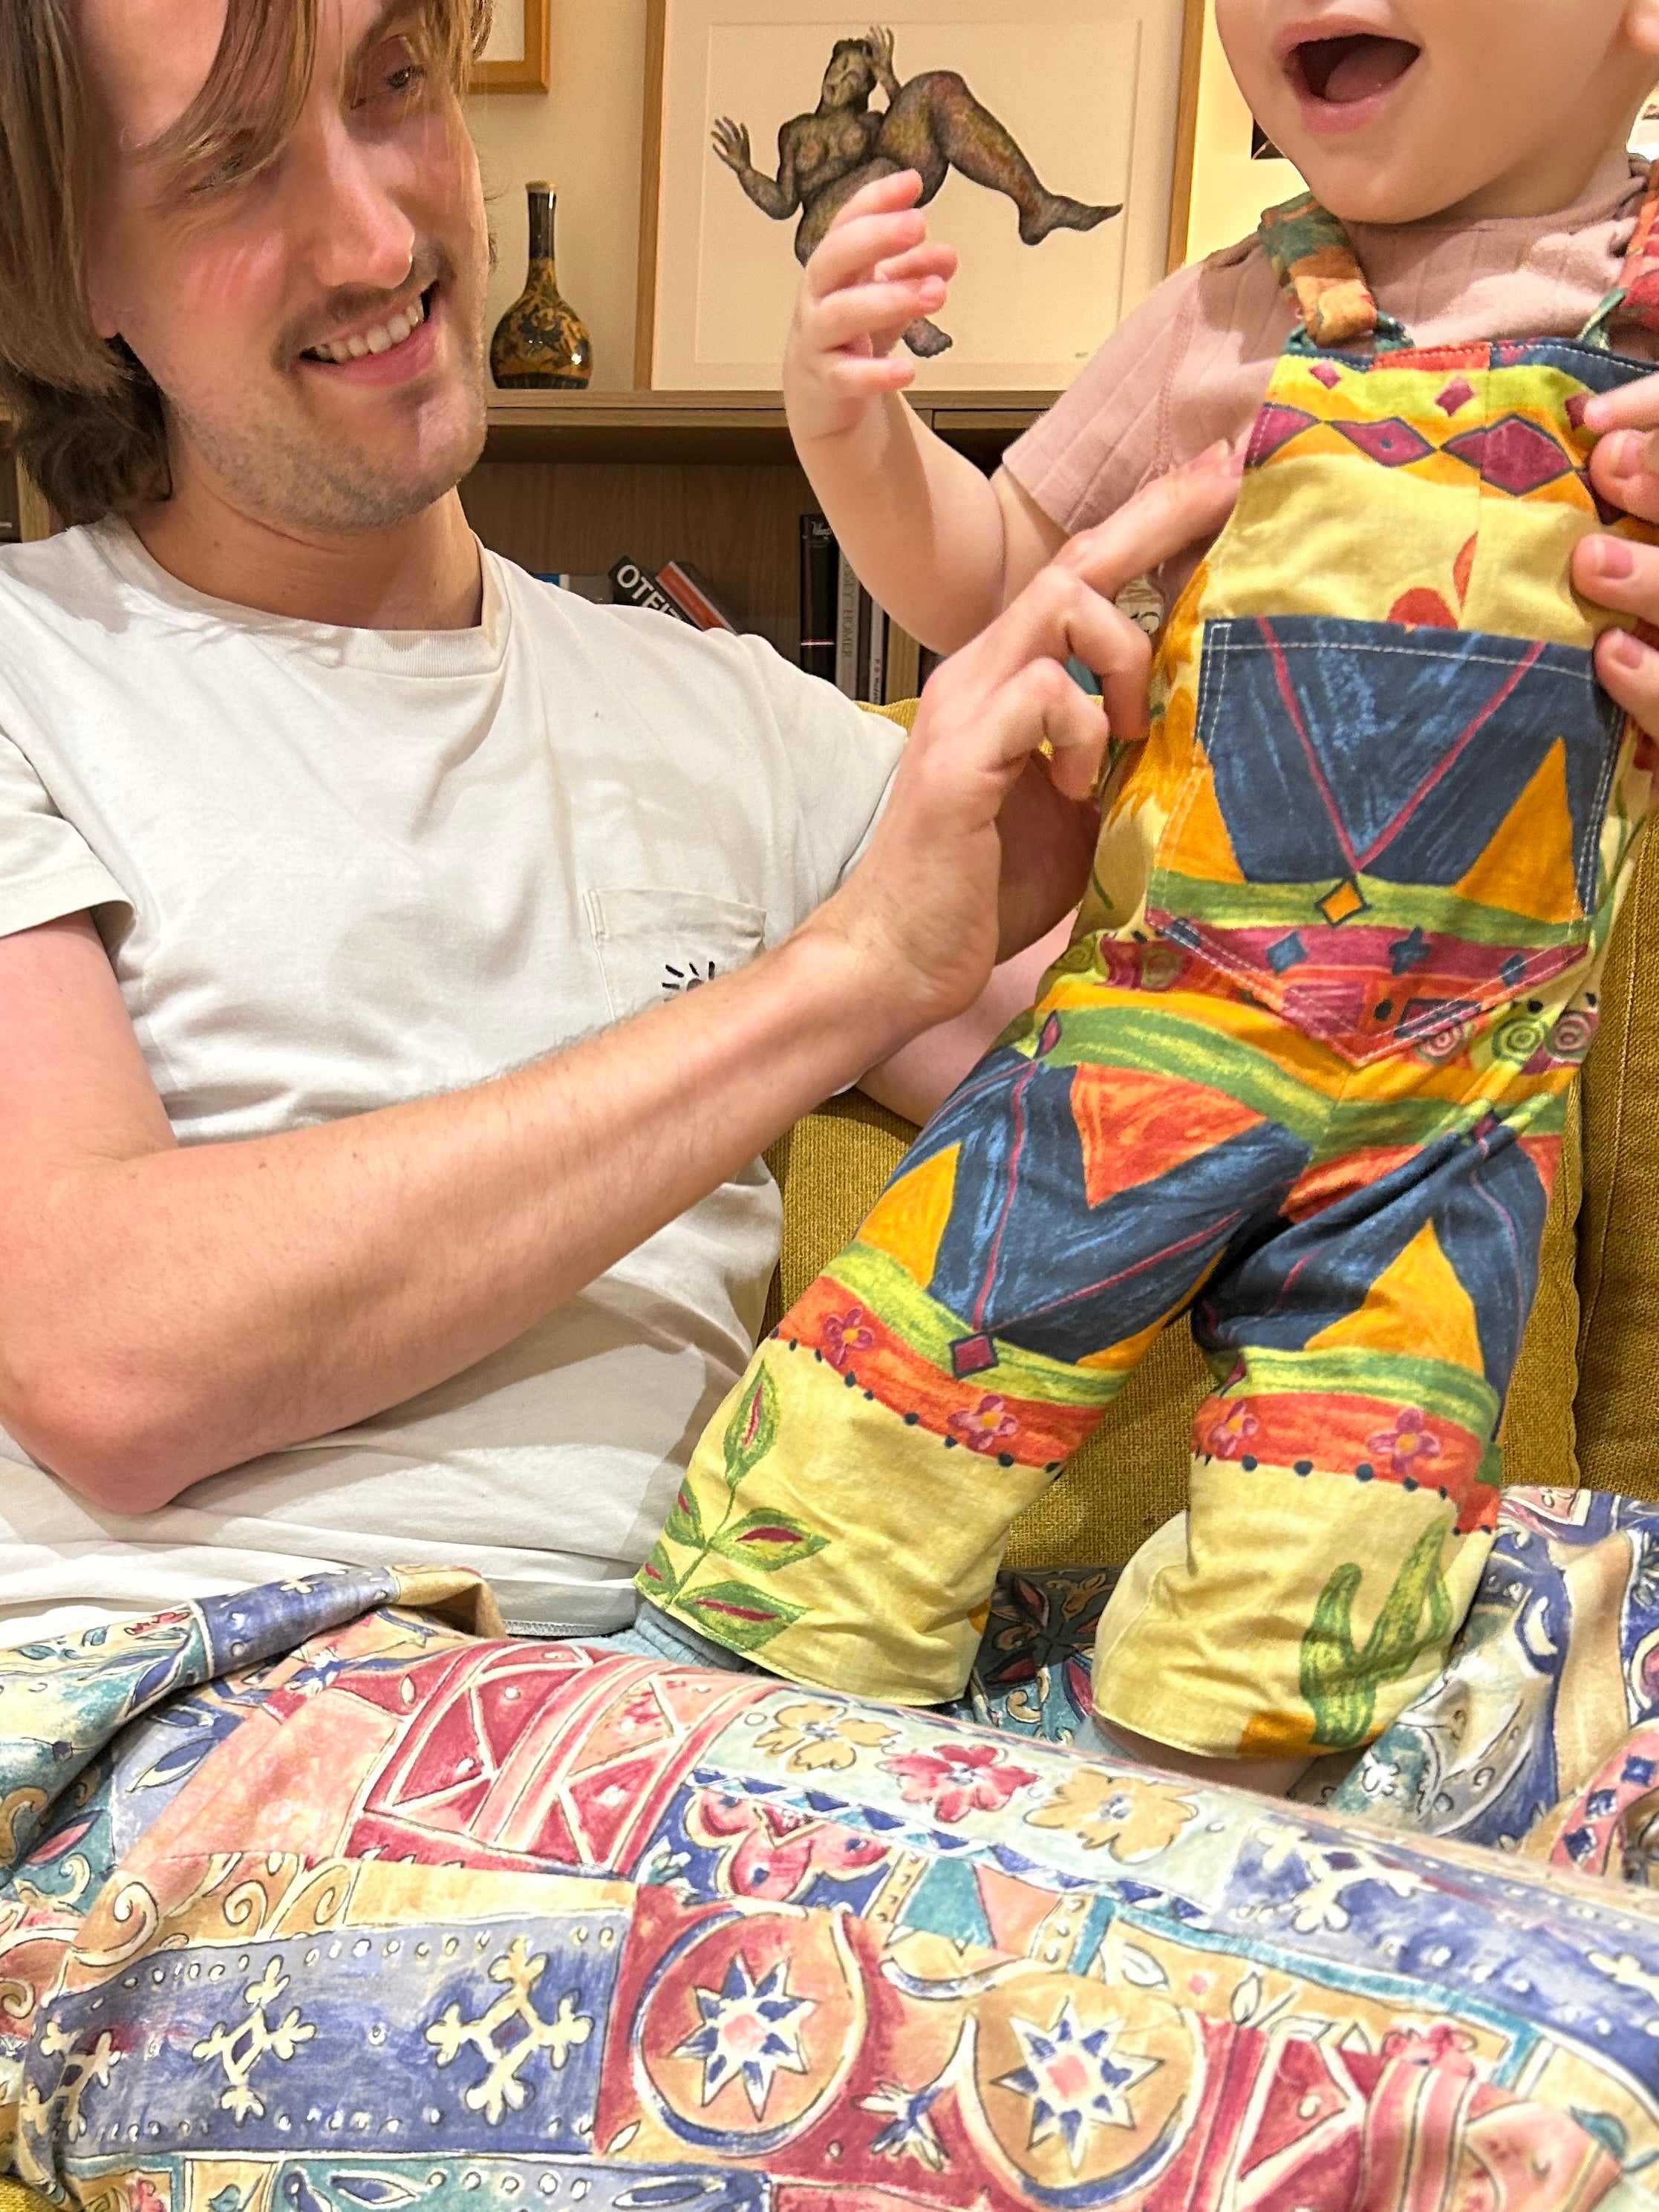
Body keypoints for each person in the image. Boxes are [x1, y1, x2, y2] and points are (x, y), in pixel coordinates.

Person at [0, 0, 1231, 1652]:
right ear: (70, 273)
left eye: (392, 86)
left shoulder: (737, 720)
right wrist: (843, 976)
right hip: (187, 1711)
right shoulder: (31, 670)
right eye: (231, 169)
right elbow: (110, 1354)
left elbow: (1231, 1110)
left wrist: (1504, 682)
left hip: (693, 1715)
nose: (378, 236)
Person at [637, 0, 1659, 1795]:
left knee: (1316, 1577)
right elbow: (1006, 583)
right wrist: (854, 435)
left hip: (1461, 1118)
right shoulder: (1225, 313)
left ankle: (1168, 1874)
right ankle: (730, 1772)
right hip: (1149, 1032)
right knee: (864, 1446)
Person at [711, 24, 1118, 357]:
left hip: (879, 188)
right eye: (839, 69)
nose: (841, 80)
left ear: (863, 91)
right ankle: (905, 316)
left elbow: (904, 126)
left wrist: (888, 76)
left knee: (937, 88)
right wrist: (744, 169)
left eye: (854, 78)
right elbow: (783, 203)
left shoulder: (870, 125)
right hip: (821, 230)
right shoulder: (795, 131)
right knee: (856, 200)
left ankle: (1036, 205)